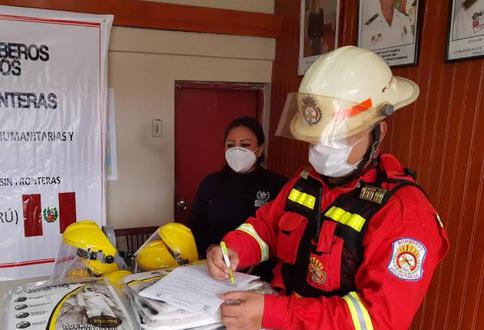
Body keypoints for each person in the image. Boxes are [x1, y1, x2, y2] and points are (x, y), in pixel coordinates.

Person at [206, 46, 449, 329]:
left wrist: (274, 313)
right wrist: (233, 249)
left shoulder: (405, 213)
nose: (322, 149)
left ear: (378, 131)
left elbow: (379, 319)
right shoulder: (308, 180)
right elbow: (267, 228)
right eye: (315, 138)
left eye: (339, 137)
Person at [187, 117, 287, 278]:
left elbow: (279, 235)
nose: (237, 150)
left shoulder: (278, 185)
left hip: (261, 276)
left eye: (245, 145)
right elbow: (195, 228)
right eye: (231, 145)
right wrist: (211, 250)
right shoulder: (211, 183)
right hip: (214, 271)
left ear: (260, 149)